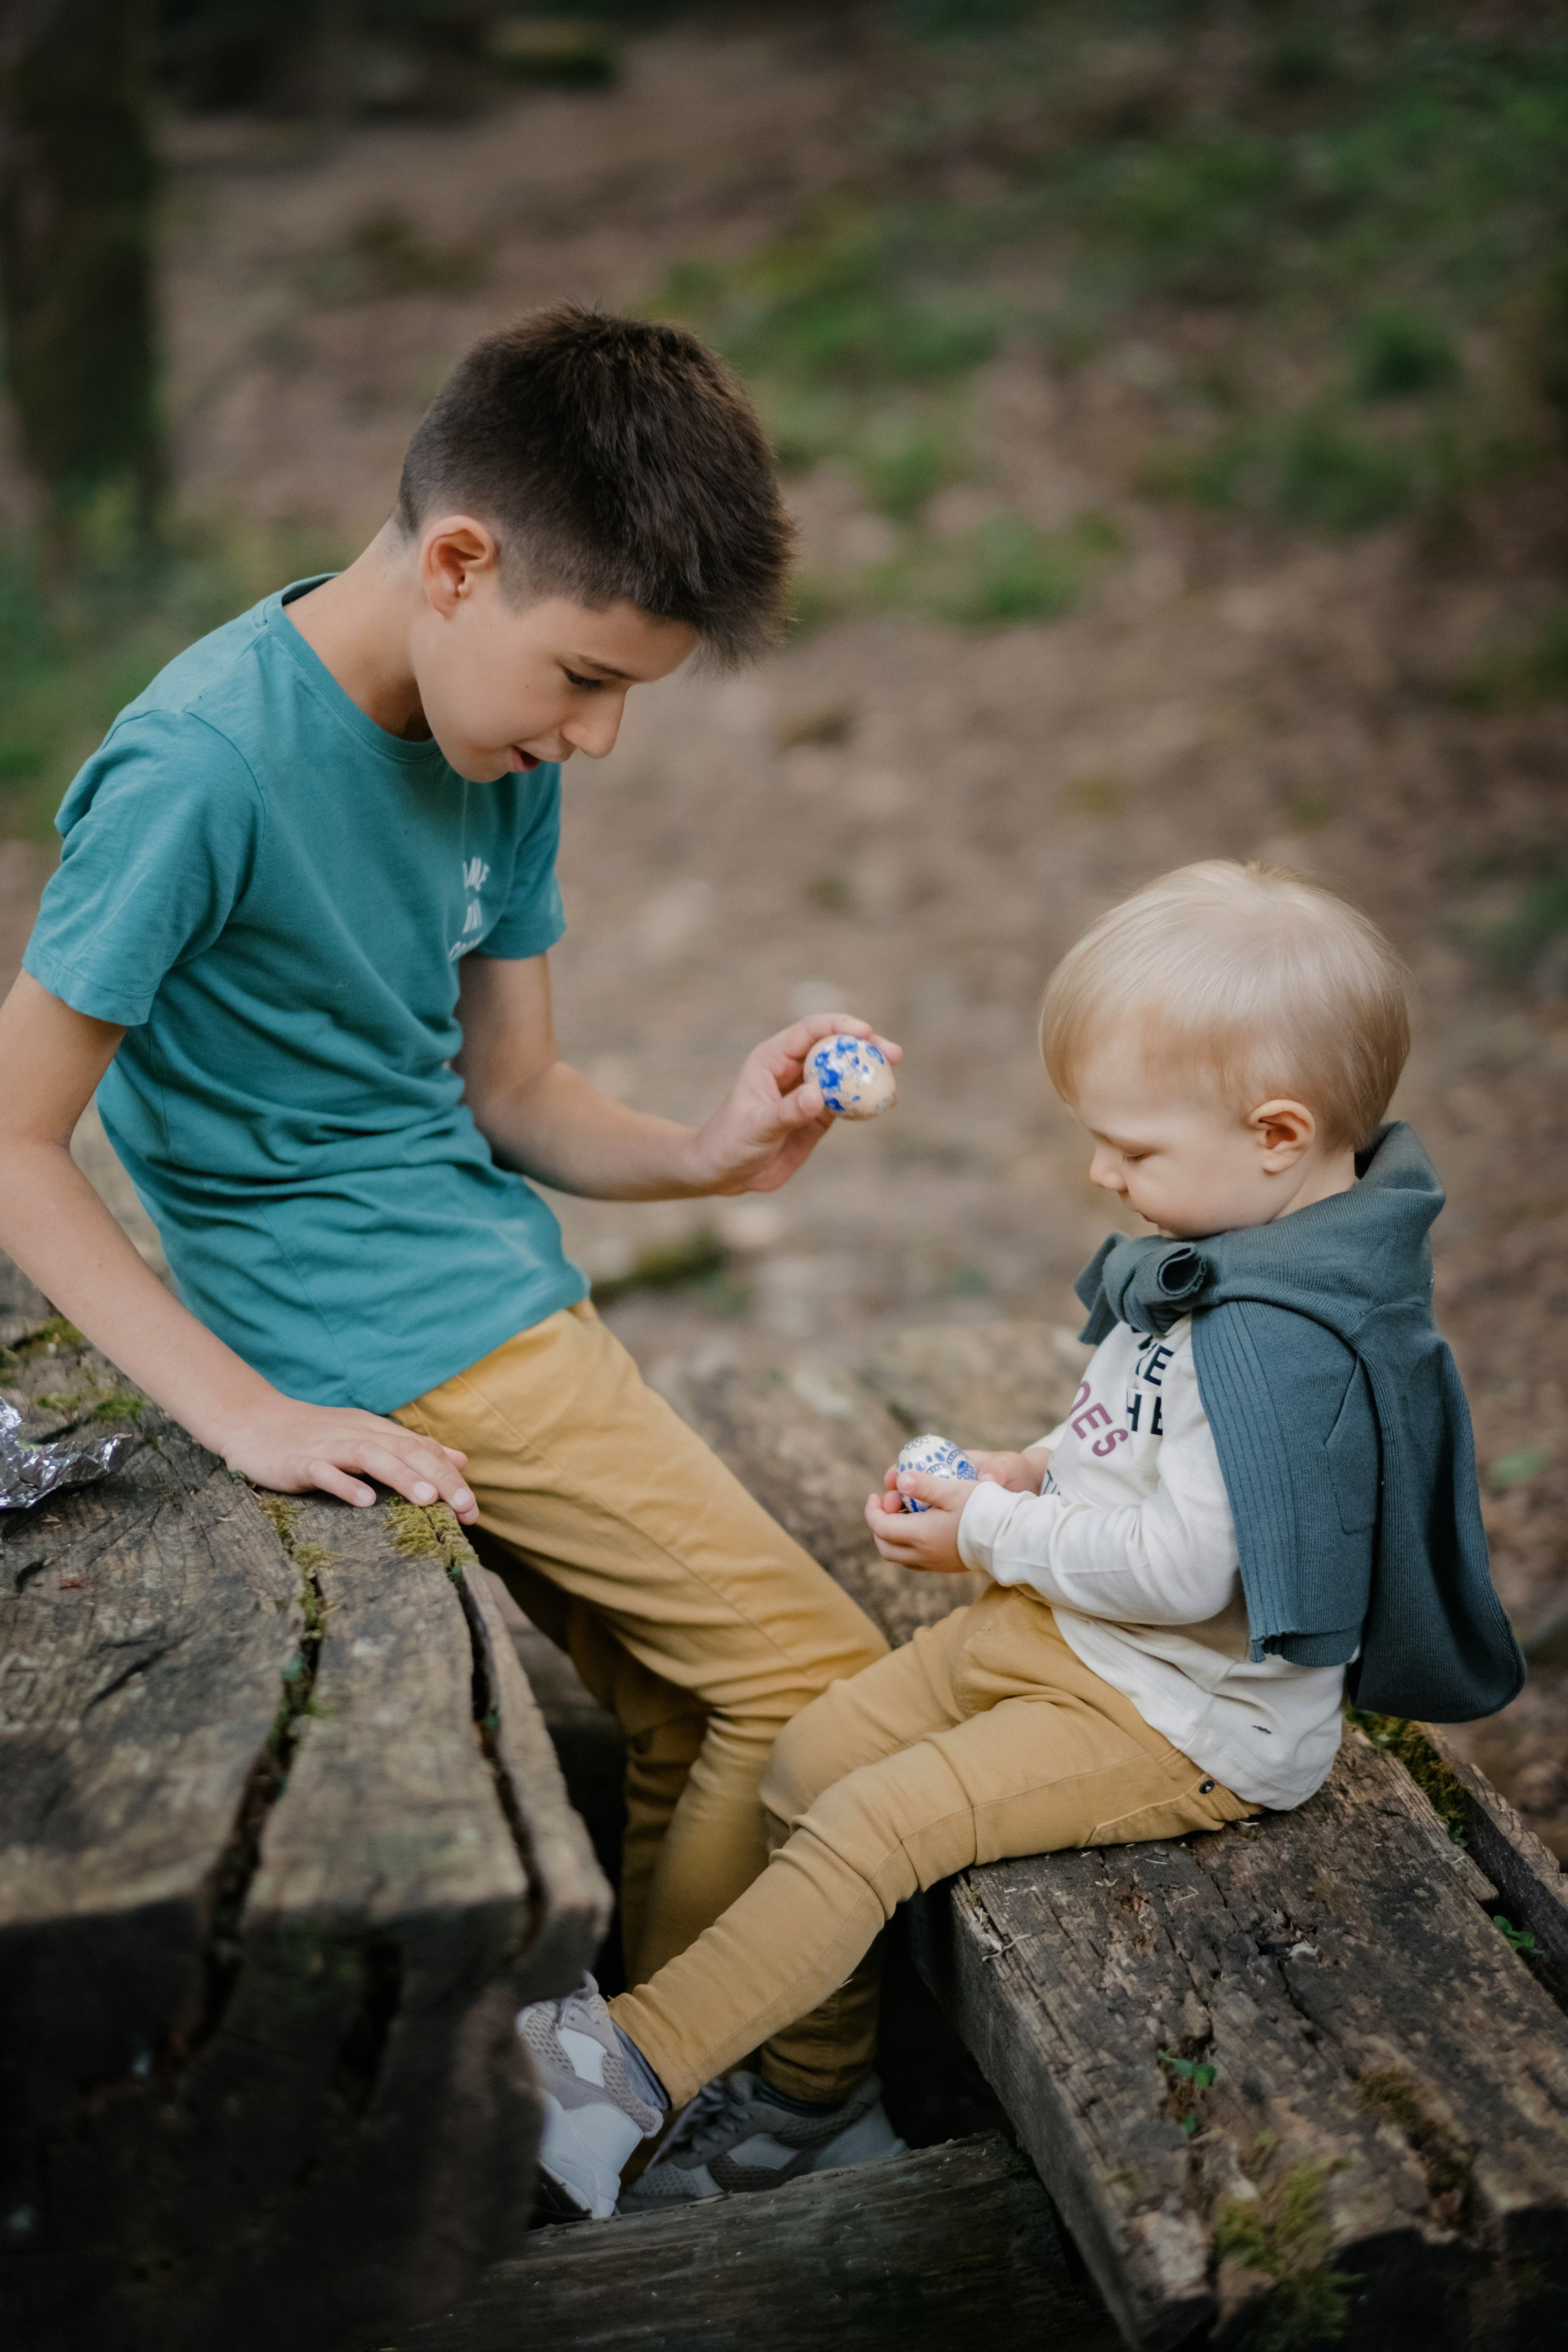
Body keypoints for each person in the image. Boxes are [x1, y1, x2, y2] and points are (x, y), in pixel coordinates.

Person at [0, 307, 900, 2172]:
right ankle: (793, 2084)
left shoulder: (498, 738)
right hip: (393, 1335)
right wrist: (241, 1412)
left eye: (629, 694)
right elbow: (13, 1131)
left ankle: (628, 2098)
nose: (599, 732)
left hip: (485, 1286)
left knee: (690, 1699)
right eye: (585, 678)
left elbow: (515, 1095)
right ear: (460, 562)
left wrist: (709, 1152)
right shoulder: (200, 770)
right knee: (815, 1682)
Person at [519, 858, 1526, 2222]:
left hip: (1180, 1715)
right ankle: (816, 2106)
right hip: (1065, 1634)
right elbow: (1138, 1436)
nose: (1100, 1173)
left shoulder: (1287, 1347)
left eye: (1131, 1146)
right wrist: (1025, 1470)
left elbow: (1193, 1574)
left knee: (871, 1820)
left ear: (1278, 1133)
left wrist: (993, 1527)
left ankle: (631, 2065)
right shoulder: (1238, 1247)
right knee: (808, 1754)